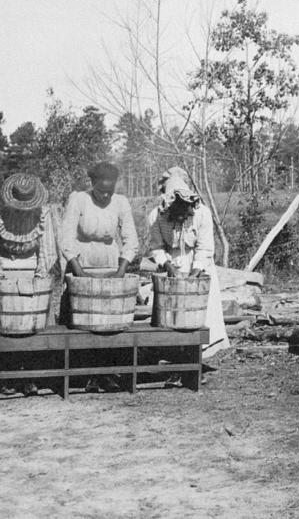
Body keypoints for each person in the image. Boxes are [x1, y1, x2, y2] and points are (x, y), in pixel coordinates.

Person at [60, 161, 139, 392]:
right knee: (83, 320)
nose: (105, 195)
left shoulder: (121, 202)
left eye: (110, 190)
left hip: (109, 262)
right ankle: (85, 375)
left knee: (110, 320)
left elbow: (130, 238)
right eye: (101, 190)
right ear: (92, 183)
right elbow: (66, 237)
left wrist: (121, 271)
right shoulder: (79, 199)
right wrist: (78, 271)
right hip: (81, 261)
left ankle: (108, 373)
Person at [0, 173, 60, 395]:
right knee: (6, 327)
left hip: (33, 271)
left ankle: (31, 377)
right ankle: (6, 377)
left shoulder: (43, 214)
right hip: (5, 271)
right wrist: (0, 279)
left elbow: (48, 250)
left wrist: (38, 279)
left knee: (34, 325)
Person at [148, 167, 229, 358]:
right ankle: (173, 357)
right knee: (172, 314)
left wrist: (194, 274)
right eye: (178, 212)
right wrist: (168, 266)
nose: (183, 216)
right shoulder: (156, 216)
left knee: (201, 314)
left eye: (186, 212)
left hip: (199, 266)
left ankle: (196, 360)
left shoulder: (203, 213)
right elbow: (157, 247)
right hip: (172, 266)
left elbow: (205, 248)